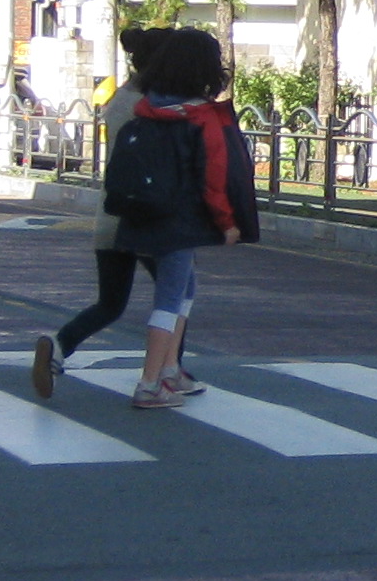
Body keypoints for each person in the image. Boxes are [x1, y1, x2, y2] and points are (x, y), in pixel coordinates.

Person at [31, 28, 192, 402]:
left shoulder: (119, 99)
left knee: (111, 303)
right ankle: (167, 373)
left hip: (110, 216)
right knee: (178, 292)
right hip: (148, 217)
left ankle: (58, 345)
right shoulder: (154, 106)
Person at [105, 28, 257, 413]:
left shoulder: (146, 108)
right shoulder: (201, 117)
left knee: (185, 287)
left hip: (140, 212)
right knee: (170, 298)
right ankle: (150, 382)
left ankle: (170, 369)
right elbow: (214, 177)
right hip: (178, 220)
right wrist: (227, 223)